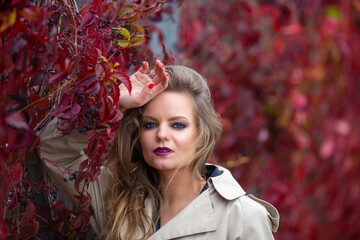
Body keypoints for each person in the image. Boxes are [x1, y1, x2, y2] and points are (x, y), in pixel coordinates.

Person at [39, 60, 279, 239]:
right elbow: (54, 150)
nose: (161, 134)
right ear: (139, 134)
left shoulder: (242, 216)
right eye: (150, 124)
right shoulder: (116, 197)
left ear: (201, 134)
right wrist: (110, 104)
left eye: (178, 125)